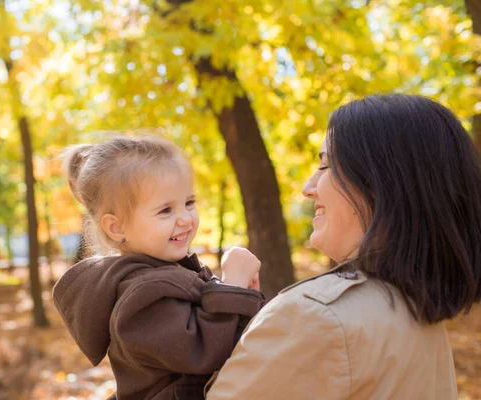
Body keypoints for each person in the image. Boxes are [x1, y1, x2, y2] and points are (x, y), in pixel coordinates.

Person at [206, 94, 481, 399]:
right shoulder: (417, 310)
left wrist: (225, 305)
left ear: (379, 185)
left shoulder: (316, 316)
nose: (308, 188)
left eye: (325, 166)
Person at [52, 134, 264, 400]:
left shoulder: (167, 274)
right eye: (166, 210)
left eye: (189, 203)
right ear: (117, 227)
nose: (186, 219)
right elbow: (203, 352)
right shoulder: (142, 296)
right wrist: (232, 285)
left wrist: (242, 298)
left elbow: (226, 344)